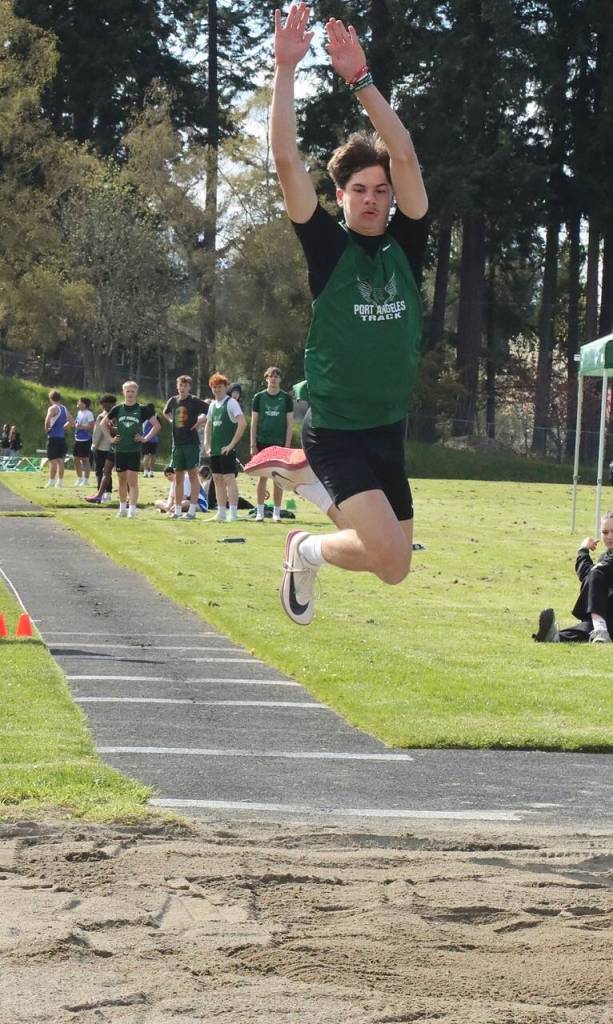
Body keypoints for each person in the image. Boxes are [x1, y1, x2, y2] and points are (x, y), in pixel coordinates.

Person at [271, 5, 428, 624]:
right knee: (387, 546)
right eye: (359, 190)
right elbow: (287, 162)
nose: (371, 198)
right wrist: (286, 70)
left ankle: (308, 526)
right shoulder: (328, 248)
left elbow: (406, 155)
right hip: (334, 424)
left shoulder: (406, 245)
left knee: (394, 565)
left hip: (386, 424)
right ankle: (304, 544)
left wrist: (360, 79)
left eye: (380, 190)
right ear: (341, 196)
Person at [533, 513, 613, 644]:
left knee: (596, 574)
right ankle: (555, 637)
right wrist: (583, 551)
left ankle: (600, 629)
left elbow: (592, 573)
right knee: (587, 627)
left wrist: (583, 551)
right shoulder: (605, 557)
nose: (609, 536)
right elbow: (588, 576)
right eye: (605, 532)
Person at [101, 381, 160, 518]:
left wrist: (145, 438)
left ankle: (132, 510)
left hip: (134, 450)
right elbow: (103, 423)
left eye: (133, 391)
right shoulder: (117, 409)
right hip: (120, 449)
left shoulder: (143, 409)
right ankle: (122, 508)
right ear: (123, 392)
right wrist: (110, 439)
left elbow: (156, 426)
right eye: (128, 391)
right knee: (121, 480)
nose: (130, 393)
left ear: (136, 393)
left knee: (132, 481)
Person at [250, 367, 294, 522]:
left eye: (276, 376)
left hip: (279, 444)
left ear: (280, 379)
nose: (273, 379)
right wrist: (252, 444)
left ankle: (276, 512)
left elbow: (290, 424)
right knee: (262, 478)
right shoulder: (259, 397)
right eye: (270, 376)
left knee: (278, 479)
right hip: (262, 442)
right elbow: (254, 423)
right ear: (266, 379)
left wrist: (287, 446)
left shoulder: (286, 398)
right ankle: (260, 512)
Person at [163, 375, 209, 520]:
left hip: (191, 444)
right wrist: (171, 420)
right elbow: (166, 412)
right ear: (177, 386)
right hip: (177, 444)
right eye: (180, 385)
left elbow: (211, 410)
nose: (182, 388)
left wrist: (201, 421)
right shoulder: (173, 400)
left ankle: (192, 510)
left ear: (189, 387)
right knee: (178, 478)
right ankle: (177, 510)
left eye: (185, 385)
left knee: (193, 476)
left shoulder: (194, 401)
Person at [204, 372, 246, 522]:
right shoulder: (212, 406)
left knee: (229, 479)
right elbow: (208, 425)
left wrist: (231, 444)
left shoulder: (231, 403)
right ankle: (221, 513)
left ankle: (233, 514)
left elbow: (242, 423)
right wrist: (207, 444)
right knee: (217, 479)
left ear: (226, 387)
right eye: (214, 387)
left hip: (227, 449)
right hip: (214, 450)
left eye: (220, 387)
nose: (217, 390)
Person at [84, 394, 117, 505]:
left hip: (101, 447)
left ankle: (100, 493)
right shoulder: (118, 415)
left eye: (105, 405)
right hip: (113, 447)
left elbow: (97, 433)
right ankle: (108, 493)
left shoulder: (101, 417)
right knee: (107, 472)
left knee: (100, 471)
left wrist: (94, 445)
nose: (104, 407)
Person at [44, 390, 74, 488]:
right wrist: (64, 427)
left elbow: (47, 420)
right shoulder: (64, 408)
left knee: (52, 460)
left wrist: (47, 430)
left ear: (51, 398)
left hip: (53, 437)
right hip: (61, 438)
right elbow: (72, 422)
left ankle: (51, 481)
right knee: (60, 460)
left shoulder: (52, 408)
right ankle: (60, 482)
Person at [72, 397, 95, 486]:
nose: (78, 402)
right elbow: (76, 423)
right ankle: (79, 478)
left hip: (86, 439)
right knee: (76, 459)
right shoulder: (79, 412)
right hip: (77, 438)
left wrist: (81, 426)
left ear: (84, 404)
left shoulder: (89, 414)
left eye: (79, 401)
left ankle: (86, 480)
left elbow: (91, 426)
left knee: (85, 459)